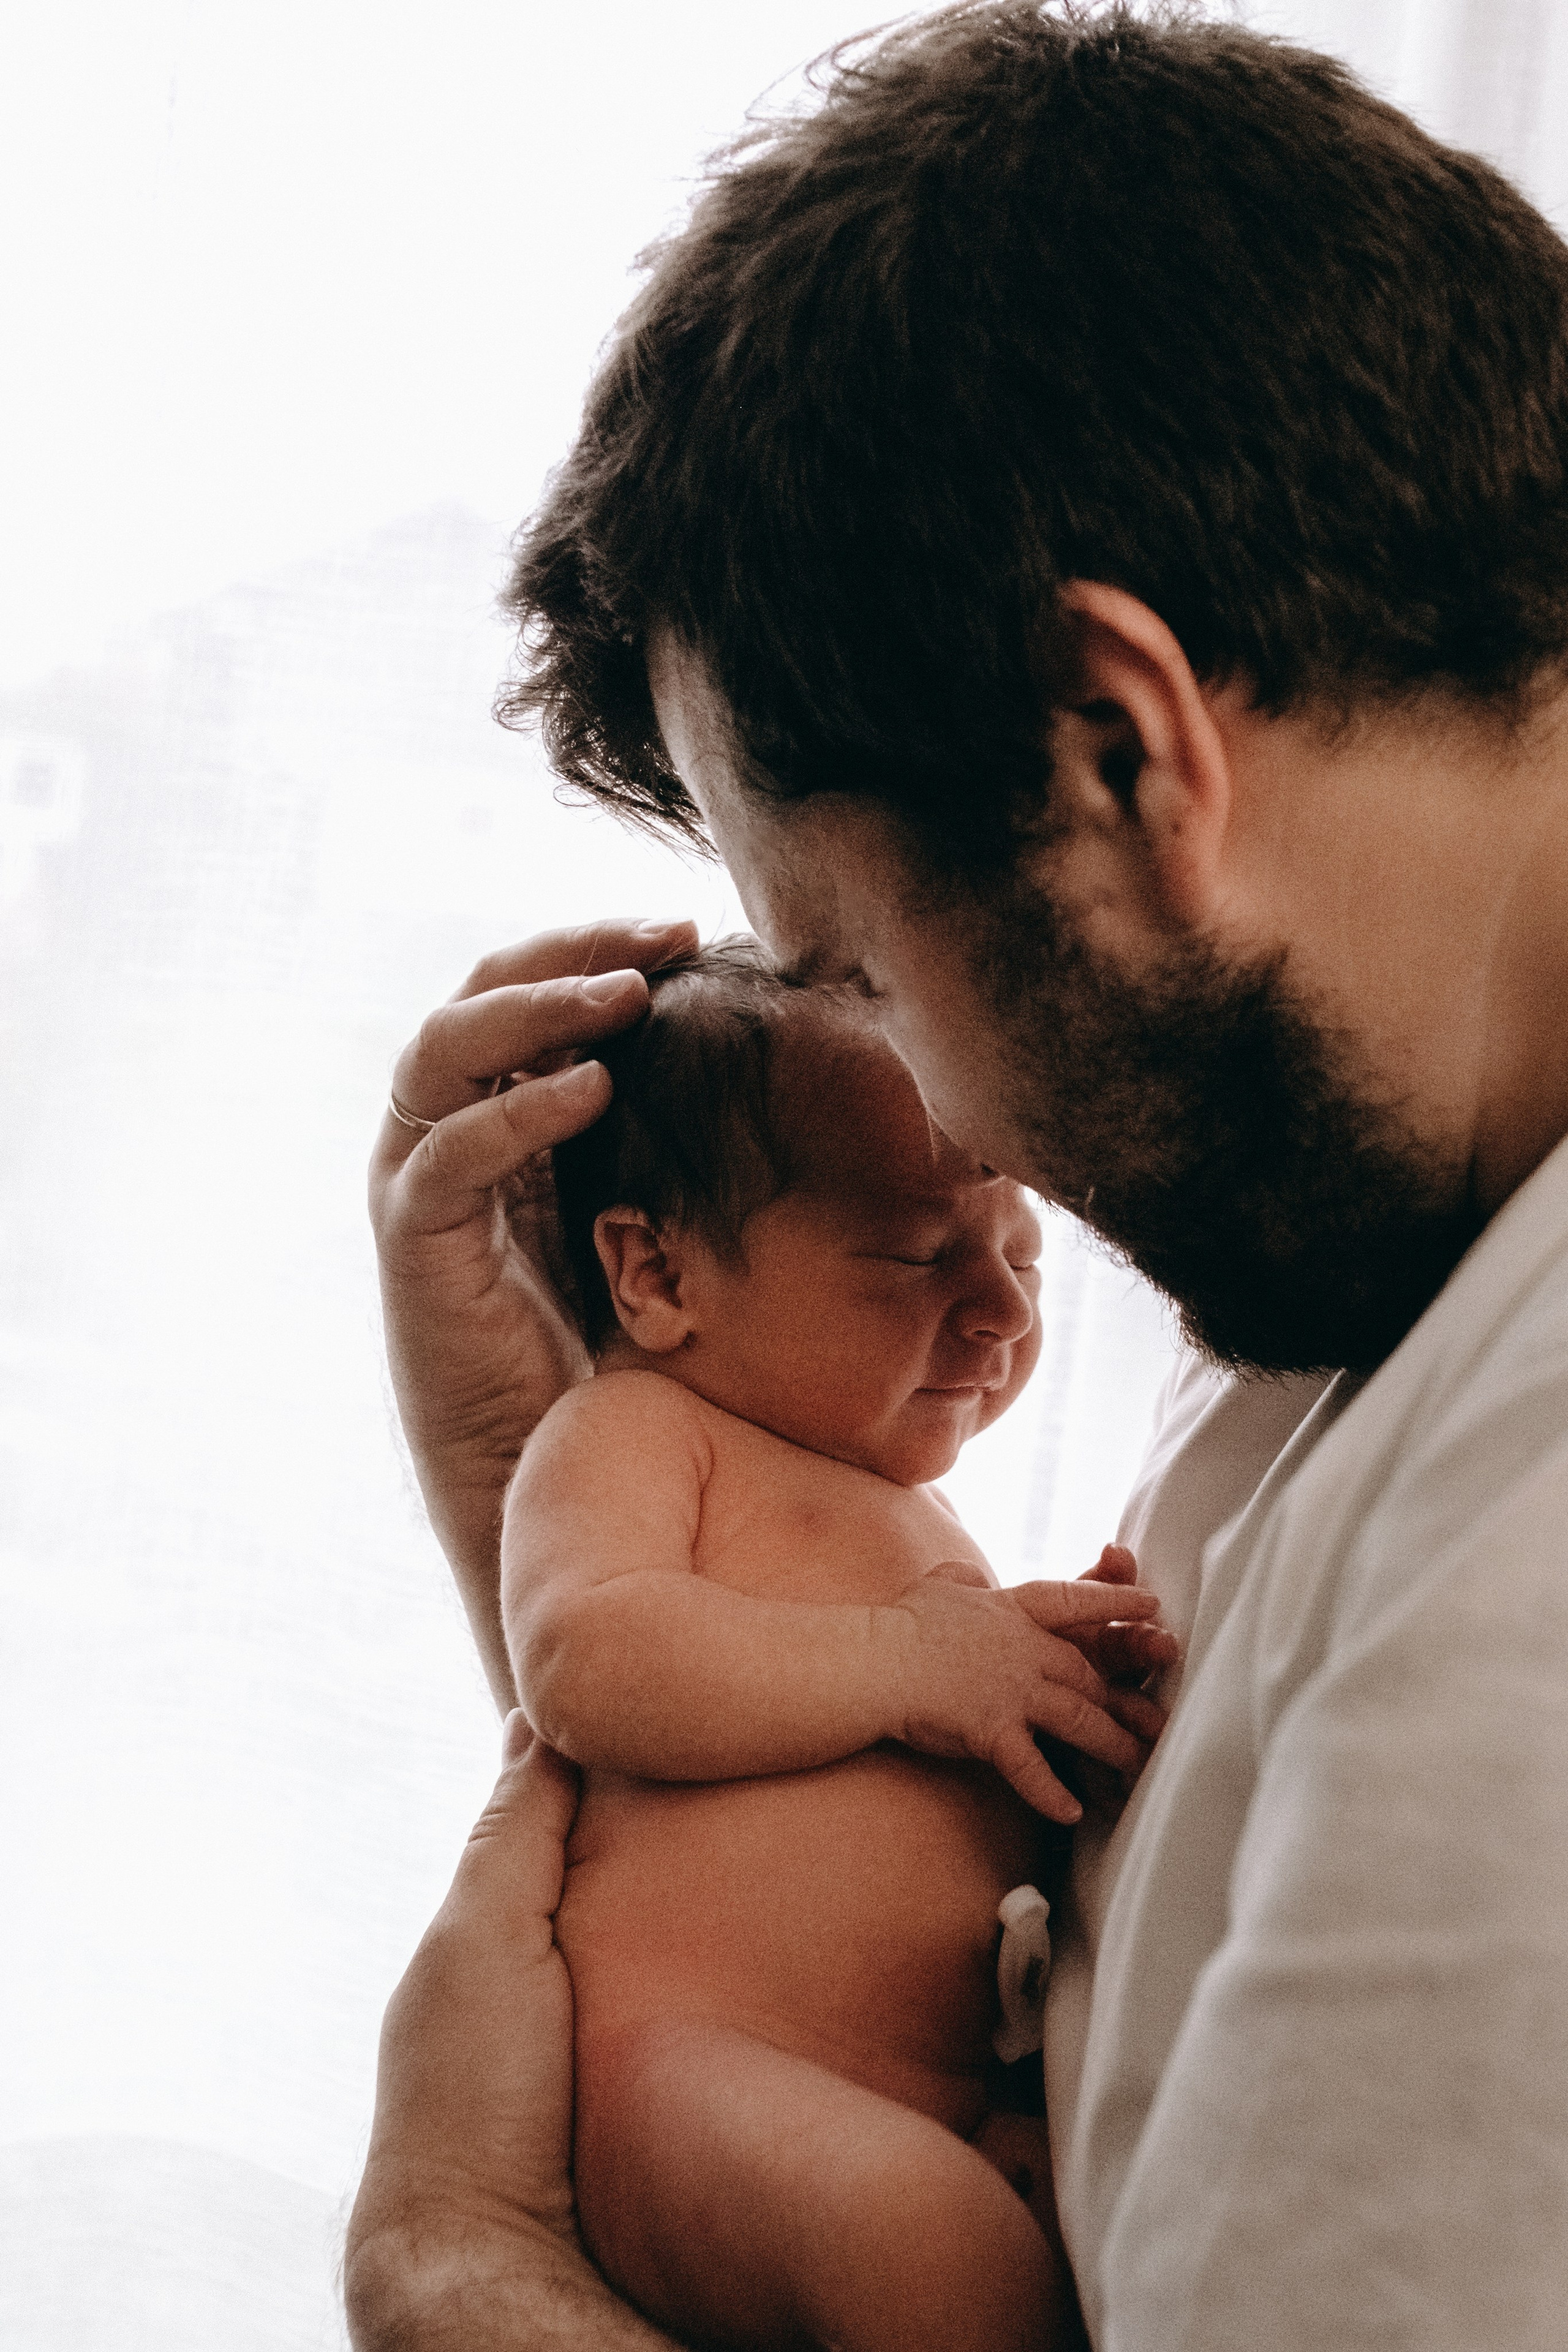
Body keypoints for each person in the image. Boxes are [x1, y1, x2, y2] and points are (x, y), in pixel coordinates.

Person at [347, 5, 1568, 2346]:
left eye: (861, 977)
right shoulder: (1396, 1231)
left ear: (1121, 761)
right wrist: (537, 1461)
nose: (967, 1136)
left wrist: (467, 2270)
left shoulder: (1515, 1606)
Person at [504, 940, 1170, 2352]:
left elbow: (930, 1752)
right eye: (920, 1256)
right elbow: (584, 1659)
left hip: (920, 2094)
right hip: (693, 2083)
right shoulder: (638, 1430)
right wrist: (911, 1662)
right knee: (928, 2255)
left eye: (1020, 1251)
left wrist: (1057, 1687)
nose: (999, 1311)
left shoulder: (910, 1518)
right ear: (657, 1271)